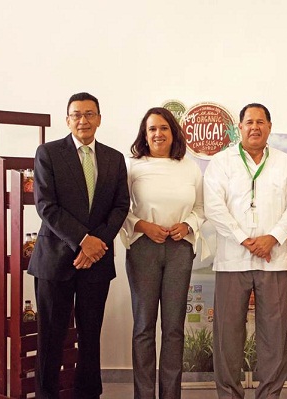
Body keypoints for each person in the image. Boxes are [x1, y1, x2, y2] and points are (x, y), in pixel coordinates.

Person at [28, 92, 130, 398]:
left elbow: (120, 206)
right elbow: (46, 206)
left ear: (99, 118)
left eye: (89, 114)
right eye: (76, 114)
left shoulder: (114, 158)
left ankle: (88, 394)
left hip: (97, 261)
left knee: (90, 336)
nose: (83, 120)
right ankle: (47, 394)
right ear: (67, 119)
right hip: (54, 261)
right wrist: (84, 241)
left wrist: (97, 244)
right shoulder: (48, 153)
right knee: (51, 337)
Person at [203, 103, 287, 399]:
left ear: (270, 127)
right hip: (231, 260)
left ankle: (269, 394)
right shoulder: (221, 162)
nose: (255, 127)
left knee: (274, 334)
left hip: (274, 260)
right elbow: (214, 207)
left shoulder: (285, 163)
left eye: (261, 122)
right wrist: (245, 239)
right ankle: (229, 394)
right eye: (249, 122)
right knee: (227, 336)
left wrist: (272, 237)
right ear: (239, 127)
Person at [120, 107, 204, 399]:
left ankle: (171, 395)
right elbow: (120, 209)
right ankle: (143, 395)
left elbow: (200, 209)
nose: (158, 134)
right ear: (144, 134)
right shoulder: (132, 166)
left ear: (174, 133)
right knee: (144, 326)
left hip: (180, 249)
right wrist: (143, 225)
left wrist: (187, 225)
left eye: (164, 128)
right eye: (152, 128)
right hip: (144, 247)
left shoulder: (190, 167)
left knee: (173, 328)